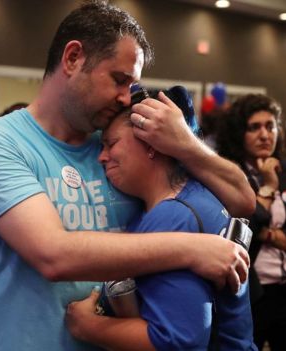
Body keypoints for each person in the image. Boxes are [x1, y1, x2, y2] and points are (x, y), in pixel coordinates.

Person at [0, 2, 255, 350]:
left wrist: (186, 144)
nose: (123, 97)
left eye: (131, 86)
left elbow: (243, 200)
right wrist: (194, 248)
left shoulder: (118, 146)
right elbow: (53, 254)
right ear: (72, 59)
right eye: (118, 79)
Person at [65, 86, 257, 351]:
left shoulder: (173, 215)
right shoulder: (198, 191)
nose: (102, 156)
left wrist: (86, 326)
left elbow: (177, 340)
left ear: (151, 144)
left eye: (111, 143)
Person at [215, 94, 286, 351]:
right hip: (251, 295)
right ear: (238, 133)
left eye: (270, 126)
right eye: (254, 127)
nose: (265, 135)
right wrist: (267, 189)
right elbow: (235, 237)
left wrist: (275, 236)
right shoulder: (229, 177)